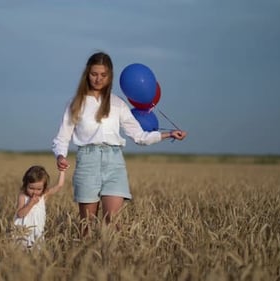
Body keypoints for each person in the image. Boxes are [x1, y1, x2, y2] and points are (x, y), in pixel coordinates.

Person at [52, 51, 186, 235]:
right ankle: (86, 260)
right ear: (87, 74)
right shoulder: (76, 103)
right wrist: (60, 155)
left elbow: (139, 136)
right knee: (86, 227)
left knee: (112, 223)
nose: (98, 79)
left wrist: (168, 134)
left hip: (114, 162)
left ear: (110, 76)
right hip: (87, 161)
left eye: (103, 75)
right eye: (94, 74)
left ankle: (112, 261)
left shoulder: (118, 104)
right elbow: (62, 138)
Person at [13, 165, 65, 248]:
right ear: (26, 184)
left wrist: (62, 170)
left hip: (37, 234)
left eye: (39, 189)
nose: (35, 192)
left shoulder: (43, 196)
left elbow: (59, 185)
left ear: (44, 188)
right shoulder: (23, 196)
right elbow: (20, 214)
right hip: (22, 234)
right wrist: (30, 204)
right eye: (31, 188)